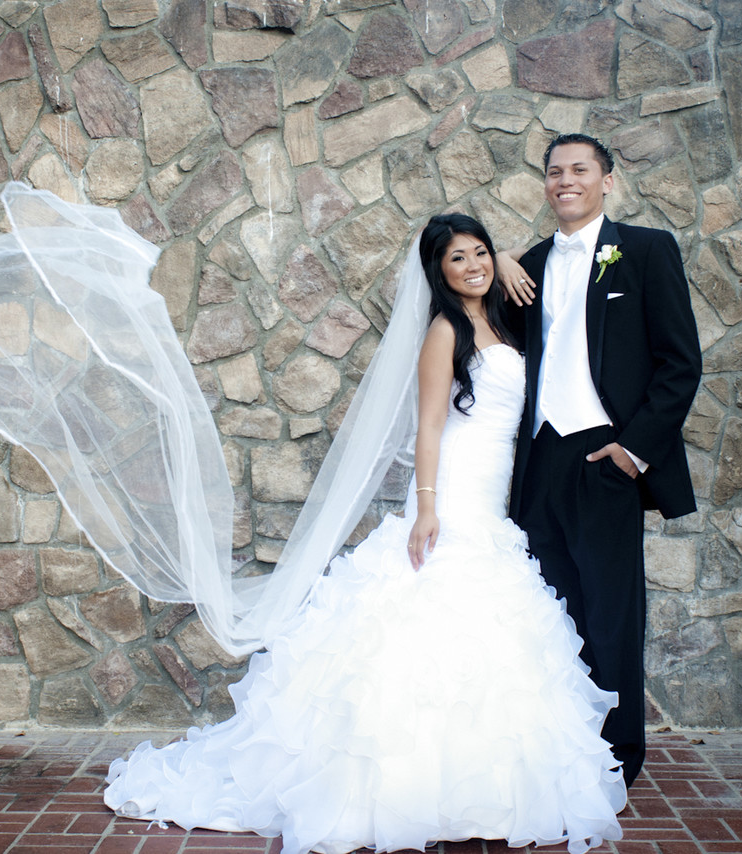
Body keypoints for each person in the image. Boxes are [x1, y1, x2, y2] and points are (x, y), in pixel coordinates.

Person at [102, 213, 625, 854]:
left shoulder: (500, 319)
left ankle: (479, 790)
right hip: (453, 487)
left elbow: (511, 264)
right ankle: (409, 787)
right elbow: (429, 426)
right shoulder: (445, 331)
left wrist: (508, 257)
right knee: (433, 615)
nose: (473, 266)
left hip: (493, 494)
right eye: (457, 259)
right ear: (437, 272)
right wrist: (426, 507)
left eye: (480, 254)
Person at [495, 133, 702, 788]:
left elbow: (680, 363)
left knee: (611, 615)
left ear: (606, 181)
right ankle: (558, 753)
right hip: (540, 461)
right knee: (547, 612)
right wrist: (497, 258)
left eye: (579, 169)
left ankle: (615, 761)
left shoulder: (645, 250)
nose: (566, 180)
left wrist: (634, 453)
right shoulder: (528, 264)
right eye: (555, 171)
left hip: (605, 458)